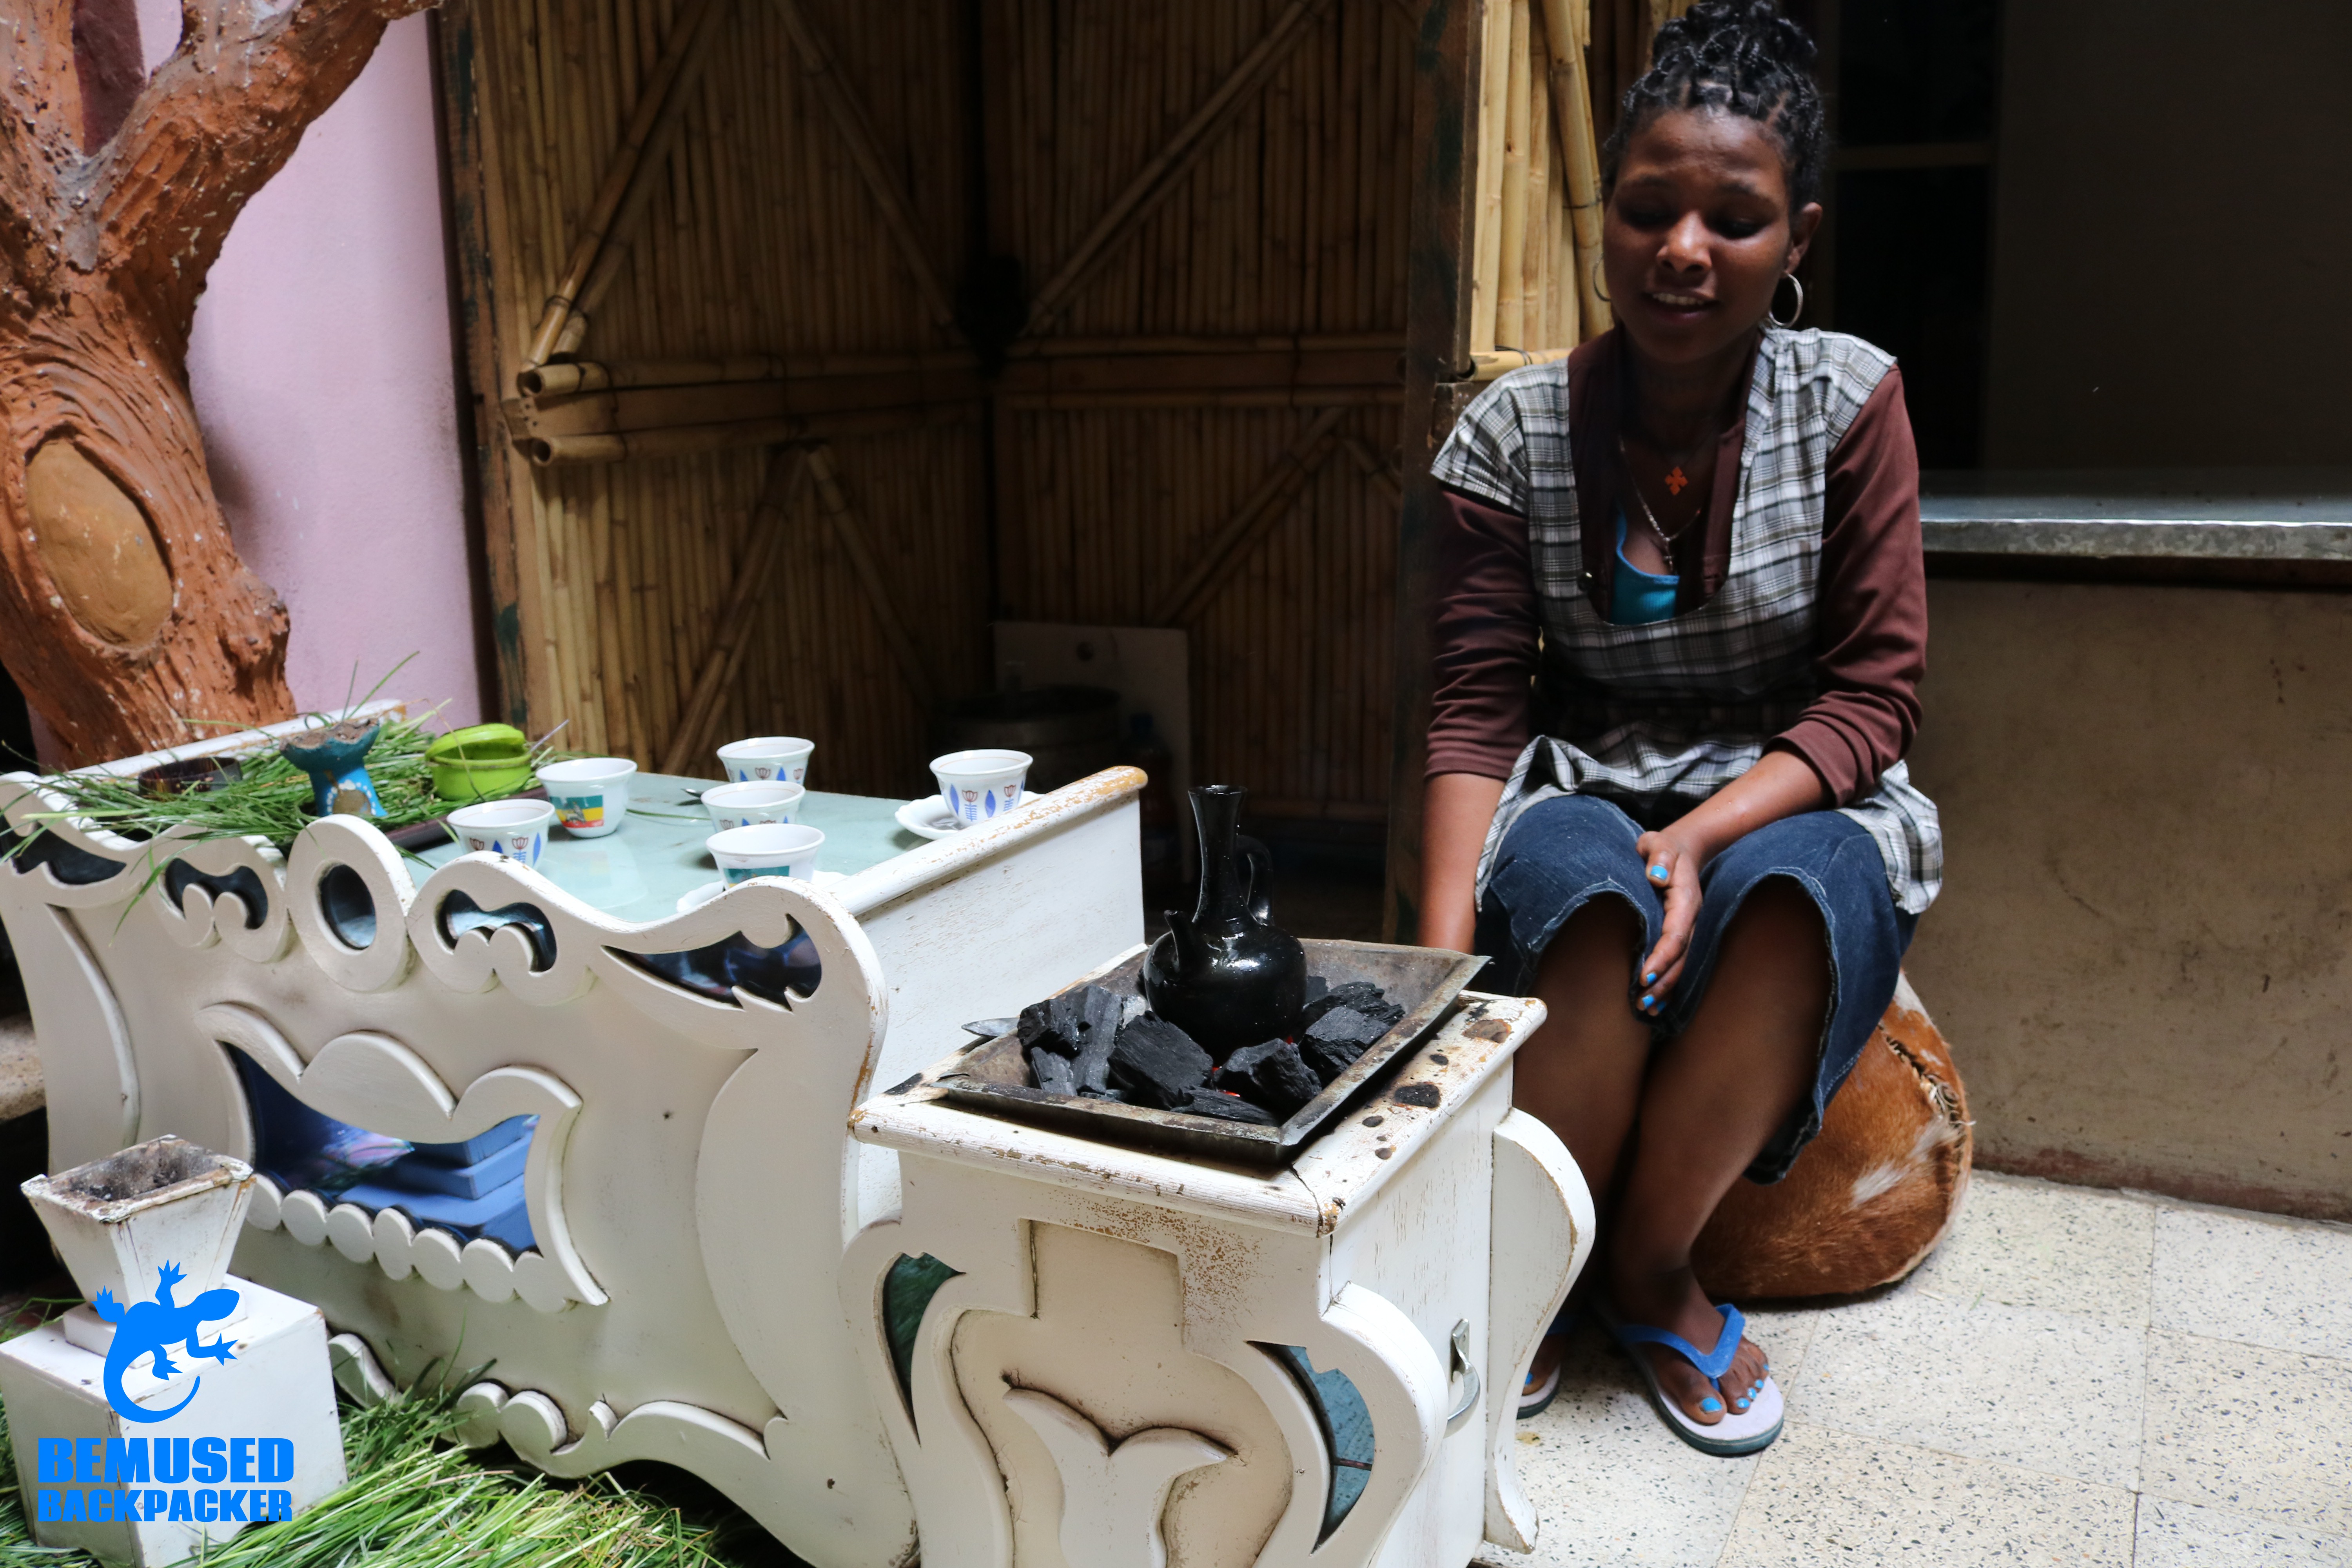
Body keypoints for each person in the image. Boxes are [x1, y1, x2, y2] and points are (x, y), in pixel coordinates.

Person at [1418, 0, 1939, 1457]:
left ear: (1799, 237)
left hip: (1797, 785)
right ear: (1611, 224)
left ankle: (1648, 1272)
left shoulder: (1851, 403)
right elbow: (1477, 710)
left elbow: (1876, 697)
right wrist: (1442, 967)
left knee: (1802, 897)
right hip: (1584, 772)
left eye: (1736, 217)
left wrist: (1707, 835)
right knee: (1588, 888)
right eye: (1649, 210)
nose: (1685, 250)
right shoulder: (1509, 436)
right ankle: (1546, 1259)